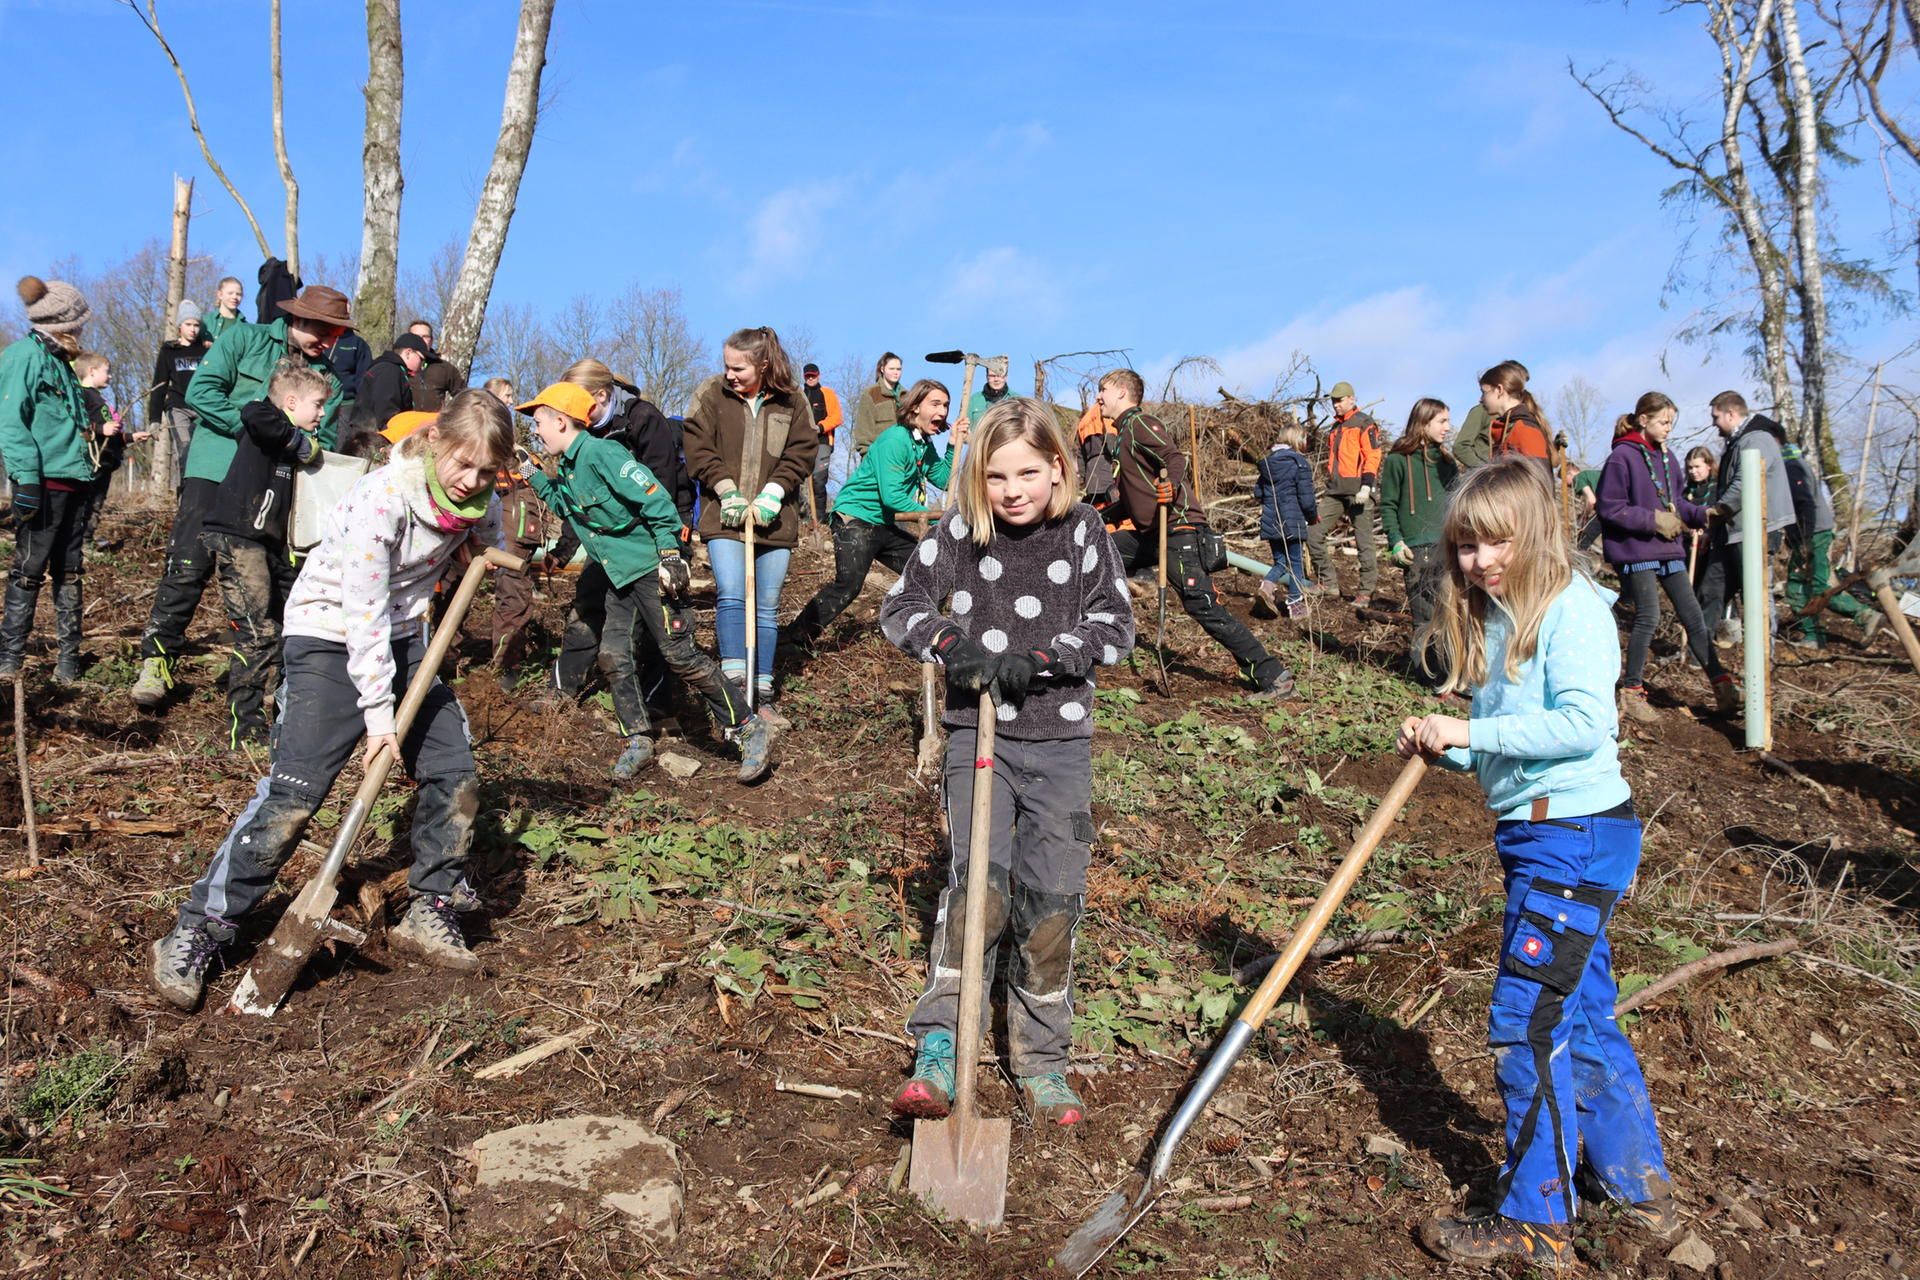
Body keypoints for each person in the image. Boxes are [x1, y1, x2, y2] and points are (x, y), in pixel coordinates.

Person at [148, 391, 514, 1011]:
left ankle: (431, 906)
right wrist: (378, 721)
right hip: (329, 634)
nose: (471, 481)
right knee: (296, 794)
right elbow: (362, 613)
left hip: (405, 642)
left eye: (486, 471)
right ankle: (199, 928)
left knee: (456, 774)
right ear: (435, 444)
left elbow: (493, 543)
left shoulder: (481, 500)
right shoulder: (383, 499)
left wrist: (487, 551)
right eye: (463, 464)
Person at [1400, 456, 1674, 1268]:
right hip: (1546, 833)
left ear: (1536, 534)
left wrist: (1470, 732)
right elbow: (1521, 747)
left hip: (1573, 837)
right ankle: (1635, 1182)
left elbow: (1584, 727)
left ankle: (1535, 1218)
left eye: (1494, 544)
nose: (1477, 562)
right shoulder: (1501, 615)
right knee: (1581, 1009)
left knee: (1529, 1022)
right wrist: (1449, 746)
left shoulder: (1570, 608)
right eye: (1465, 547)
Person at [880, 397, 1134, 1129]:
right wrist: (955, 648)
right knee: (977, 889)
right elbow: (900, 607)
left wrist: (1049, 657)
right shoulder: (962, 532)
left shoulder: (1084, 531)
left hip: (1059, 743)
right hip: (976, 735)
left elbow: (1116, 625)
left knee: (1051, 900)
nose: (1013, 490)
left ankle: (1040, 1059)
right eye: (995, 476)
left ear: (1059, 467)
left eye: (1028, 472)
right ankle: (940, 1043)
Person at [517, 382, 770, 782]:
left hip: (651, 570)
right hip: (619, 577)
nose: (536, 431)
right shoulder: (568, 466)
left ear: (562, 422)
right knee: (614, 656)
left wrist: (670, 554)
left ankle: (747, 727)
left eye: (540, 423)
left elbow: (656, 499)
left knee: (680, 655)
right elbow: (568, 507)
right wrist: (532, 474)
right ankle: (638, 738)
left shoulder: (603, 453)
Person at [129, 285, 350, 710]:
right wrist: (256, 432)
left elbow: (315, 437)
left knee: (271, 585)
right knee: (188, 566)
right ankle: (157, 660)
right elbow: (201, 392)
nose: (328, 340)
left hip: (275, 493)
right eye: (323, 329)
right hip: (215, 470)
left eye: (337, 333)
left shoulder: (330, 382)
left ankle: (268, 681)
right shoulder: (243, 339)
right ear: (299, 319)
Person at [1098, 368, 1294, 696]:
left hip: (1178, 529)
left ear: (1121, 391)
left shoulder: (1140, 424)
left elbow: (1174, 458)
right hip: (1150, 532)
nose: (1098, 397)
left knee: (1201, 604)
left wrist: (1169, 485)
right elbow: (1133, 503)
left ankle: (1273, 675)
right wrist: (1095, 517)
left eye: (1102, 390)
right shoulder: (1122, 437)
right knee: (1101, 552)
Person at [536, 359, 693, 710]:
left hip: (655, 534)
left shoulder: (643, 420)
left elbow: (660, 492)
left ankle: (658, 707)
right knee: (587, 603)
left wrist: (668, 550)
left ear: (602, 396)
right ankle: (561, 690)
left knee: (658, 627)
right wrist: (564, 549)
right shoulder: (583, 433)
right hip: (608, 538)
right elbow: (579, 500)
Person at [682, 327, 817, 711]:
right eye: (726, 366)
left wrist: (775, 491)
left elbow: (802, 451)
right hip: (724, 516)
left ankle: (763, 688)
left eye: (738, 367)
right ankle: (734, 687)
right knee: (731, 592)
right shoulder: (711, 393)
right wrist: (726, 489)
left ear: (764, 364)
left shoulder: (793, 401)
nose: (729, 374)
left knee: (766, 603)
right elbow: (696, 444)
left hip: (775, 521)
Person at [199, 361, 328, 746]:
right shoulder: (265, 420)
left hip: (274, 547)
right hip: (238, 537)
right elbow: (254, 415)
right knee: (257, 634)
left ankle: (286, 718)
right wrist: (297, 442)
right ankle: (245, 728)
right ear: (291, 401)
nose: (322, 413)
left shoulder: (294, 445)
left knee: (291, 627)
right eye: (317, 405)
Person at [785, 379, 965, 647]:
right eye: (935, 403)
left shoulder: (922, 443)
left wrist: (952, 445)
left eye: (946, 405)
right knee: (848, 585)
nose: (943, 411)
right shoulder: (896, 439)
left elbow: (943, 479)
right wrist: (941, 518)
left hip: (883, 523)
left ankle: (923, 635)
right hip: (855, 518)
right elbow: (892, 497)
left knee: (927, 570)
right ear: (915, 407)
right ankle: (796, 636)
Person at [1594, 392, 1736, 722]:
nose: (1669, 429)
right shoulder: (1622, 458)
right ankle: (1632, 692)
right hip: (1636, 548)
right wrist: (1653, 520)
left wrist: (1704, 514)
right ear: (1643, 420)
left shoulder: (1669, 459)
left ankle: (1722, 685)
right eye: (1663, 422)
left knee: (1694, 617)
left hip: (1669, 549)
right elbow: (1610, 508)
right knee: (1649, 616)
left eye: (1671, 422)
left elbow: (1677, 504)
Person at [0, 275, 95, 683]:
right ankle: (10, 660)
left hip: (77, 480)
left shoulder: (62, 363)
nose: (82, 329)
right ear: (61, 323)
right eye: (78, 323)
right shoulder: (22, 357)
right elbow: (10, 422)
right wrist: (26, 481)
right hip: (45, 483)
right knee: (28, 569)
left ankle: (68, 660)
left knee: (70, 570)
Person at [1696, 391, 1796, 641]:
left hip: (1755, 532)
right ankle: (1700, 657)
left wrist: (1714, 513)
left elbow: (1744, 485)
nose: (1713, 423)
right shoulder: (1739, 442)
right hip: (1731, 532)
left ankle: (1763, 663)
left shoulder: (1757, 440)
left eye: (1716, 416)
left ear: (1731, 414)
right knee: (1710, 591)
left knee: (1756, 597)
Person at [1380, 398, 1459, 684]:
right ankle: (1427, 679)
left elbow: (1456, 504)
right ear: (1423, 423)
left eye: (1448, 421)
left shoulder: (1448, 463)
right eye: (1442, 421)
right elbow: (1387, 504)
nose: (1448, 428)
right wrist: (1396, 541)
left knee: (1452, 615)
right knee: (1424, 618)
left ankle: (1453, 676)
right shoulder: (1397, 460)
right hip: (1417, 550)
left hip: (1448, 548)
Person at [487, 377, 550, 687]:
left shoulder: (518, 452)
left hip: (516, 524)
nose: (510, 403)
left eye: (512, 396)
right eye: (505, 397)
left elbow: (540, 485)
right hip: (493, 520)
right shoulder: (484, 442)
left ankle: (506, 664)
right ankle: (449, 659)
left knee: (515, 590)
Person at [1783, 463, 1882, 648]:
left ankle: (1816, 635)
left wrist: (1804, 537)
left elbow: (1804, 501)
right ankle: (1861, 617)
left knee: (1800, 586)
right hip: (1813, 533)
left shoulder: (1789, 465)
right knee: (1814, 584)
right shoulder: (1792, 463)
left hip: (1812, 534)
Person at [1302, 380, 1382, 606]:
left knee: (1363, 541)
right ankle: (1328, 584)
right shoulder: (1335, 429)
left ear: (1351, 399)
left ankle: (1366, 592)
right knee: (1313, 534)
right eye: (1333, 401)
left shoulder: (1365, 424)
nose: (1335, 405)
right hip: (1335, 491)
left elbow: (1372, 456)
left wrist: (1367, 485)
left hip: (1359, 490)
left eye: (1339, 400)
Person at [1251, 419, 1317, 618]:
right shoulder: (1299, 463)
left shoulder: (1268, 465)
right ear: (1296, 439)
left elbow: (1258, 494)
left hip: (1272, 521)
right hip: (1293, 521)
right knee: (1295, 562)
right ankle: (1296, 606)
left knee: (1281, 561)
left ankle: (1267, 585)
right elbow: (1306, 499)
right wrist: (1312, 516)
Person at [148, 300, 210, 493]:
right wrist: (154, 419)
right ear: (180, 326)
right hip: (178, 406)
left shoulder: (206, 350)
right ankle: (183, 495)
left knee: (203, 450)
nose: (192, 329)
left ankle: (201, 493)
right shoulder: (169, 350)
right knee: (185, 449)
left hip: (202, 408)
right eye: (188, 324)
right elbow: (159, 384)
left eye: (196, 325)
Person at [1451, 358, 1527, 471]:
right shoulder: (1482, 411)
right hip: (1485, 478)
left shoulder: (1526, 415)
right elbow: (1460, 446)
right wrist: (1484, 469)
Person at [1479, 361, 1552, 464]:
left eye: (1484, 392)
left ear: (1499, 390)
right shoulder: (1507, 428)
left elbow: (1537, 478)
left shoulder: (1525, 430)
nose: (1481, 399)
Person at [801, 362, 844, 519]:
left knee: (818, 479)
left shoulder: (827, 393)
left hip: (823, 442)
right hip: (802, 444)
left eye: (813, 375)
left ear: (818, 375)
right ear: (804, 377)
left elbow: (837, 417)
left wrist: (820, 427)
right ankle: (804, 515)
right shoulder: (799, 395)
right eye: (808, 376)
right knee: (797, 480)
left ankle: (819, 518)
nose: (811, 378)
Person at [360, 332, 426, 429]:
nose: (422, 366)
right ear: (408, 353)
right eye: (421, 359)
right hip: (371, 439)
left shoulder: (393, 370)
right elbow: (387, 416)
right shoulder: (389, 371)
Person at [405, 320, 467, 411]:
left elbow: (465, 397)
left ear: (431, 340)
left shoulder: (444, 368)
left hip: (434, 423)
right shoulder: (397, 367)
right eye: (416, 337)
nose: (421, 340)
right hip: (404, 422)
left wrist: (451, 417)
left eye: (425, 337)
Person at [851, 351, 904, 457]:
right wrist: (866, 455)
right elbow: (863, 428)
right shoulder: (870, 394)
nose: (896, 372)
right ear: (882, 369)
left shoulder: (907, 396)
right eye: (891, 369)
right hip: (878, 455)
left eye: (898, 369)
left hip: (902, 455)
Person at [963, 356, 1017, 427]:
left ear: (1006, 377)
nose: (996, 379)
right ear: (987, 377)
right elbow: (963, 427)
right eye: (992, 376)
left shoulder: (1016, 400)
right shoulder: (974, 400)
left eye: (999, 375)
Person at [202, 276, 248, 345]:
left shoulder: (246, 326)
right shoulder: (205, 321)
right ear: (220, 294)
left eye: (238, 294)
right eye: (230, 293)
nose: (234, 297)